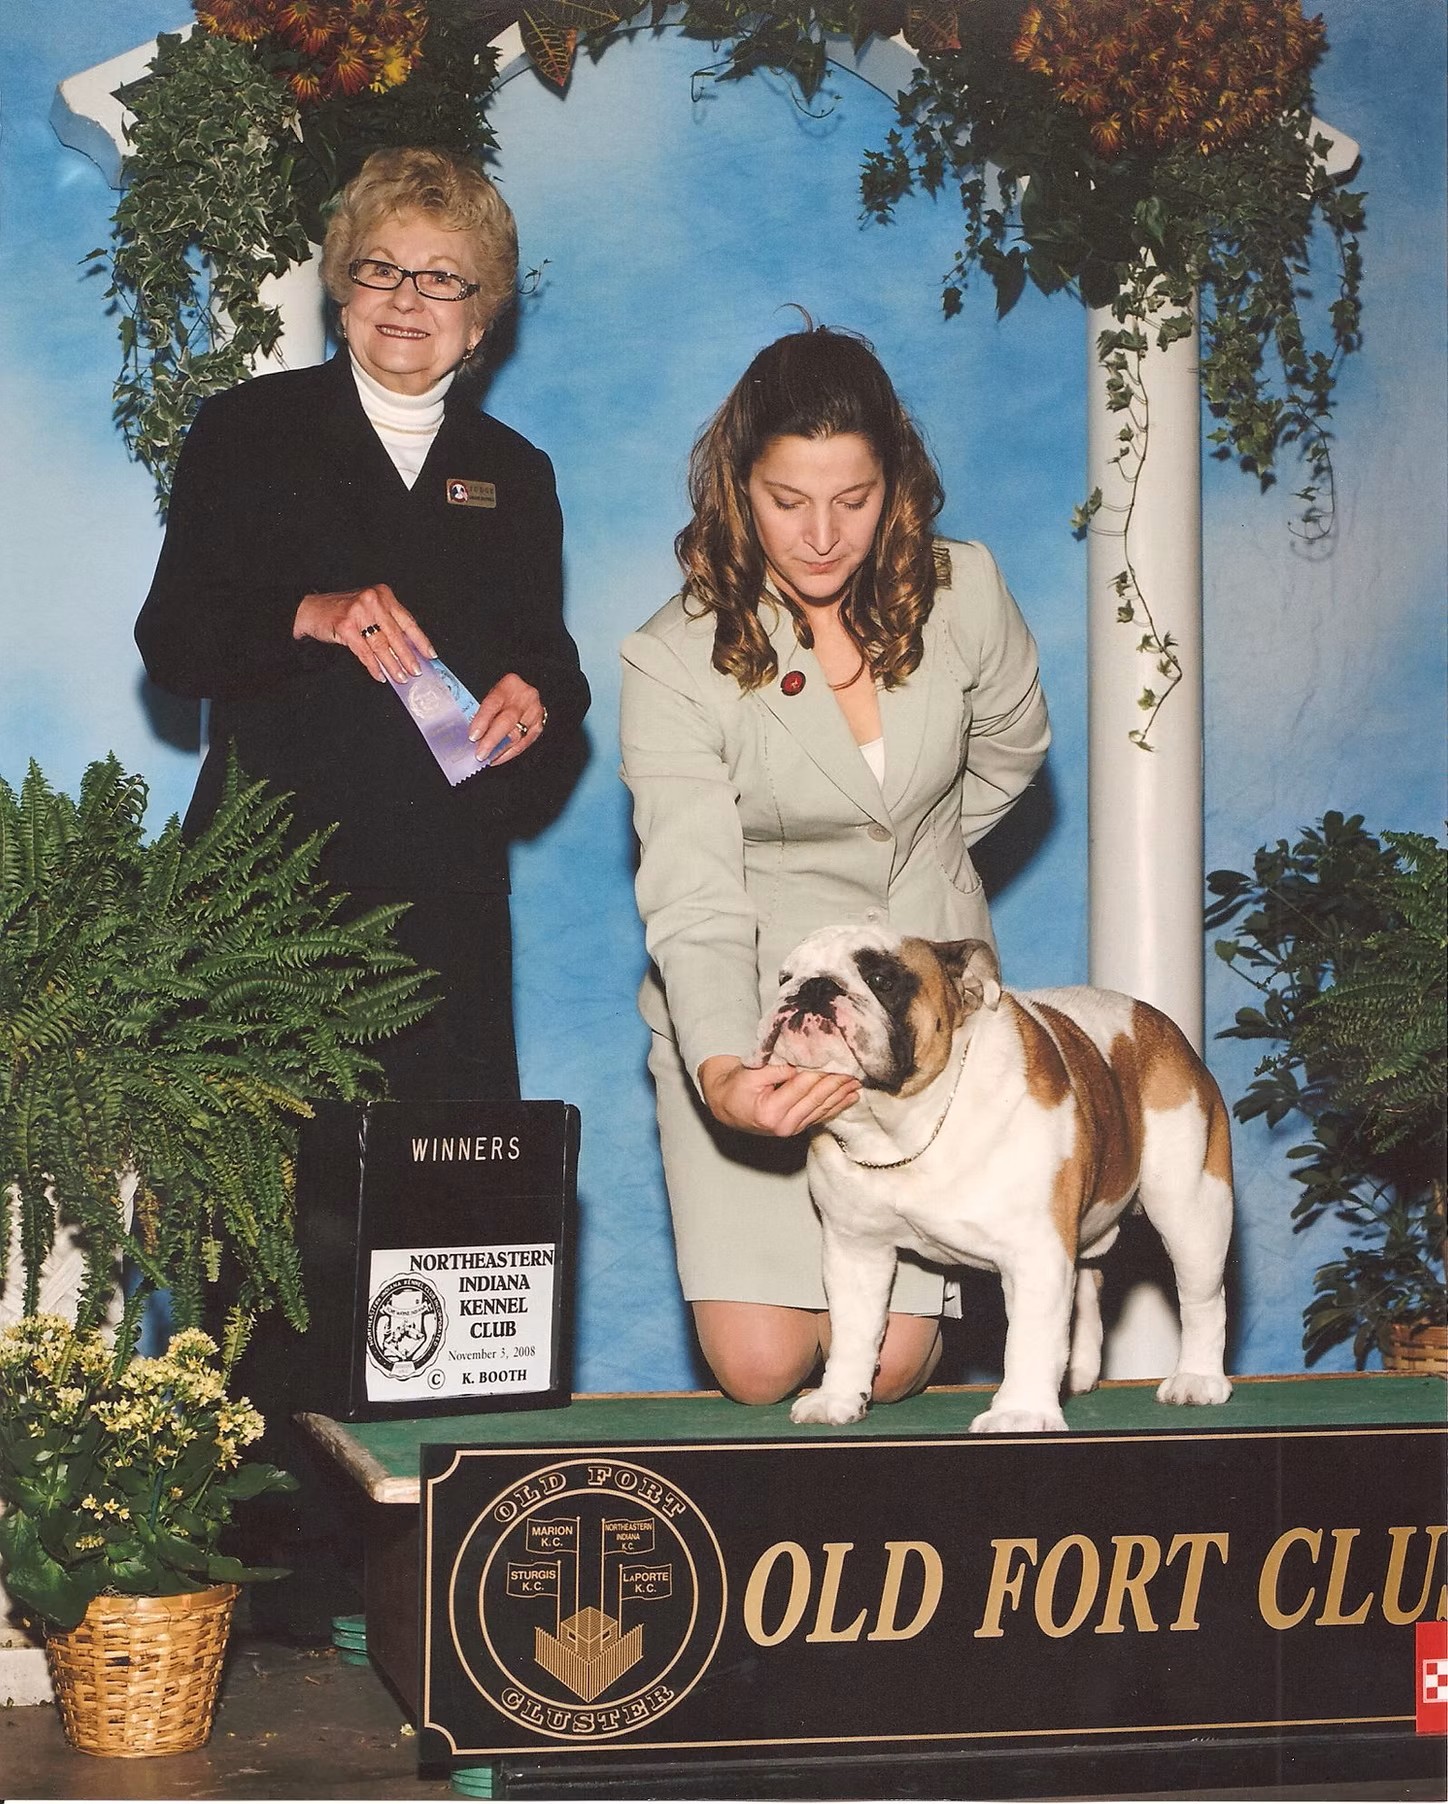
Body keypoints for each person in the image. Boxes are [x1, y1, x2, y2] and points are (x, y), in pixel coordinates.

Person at [620, 323, 1050, 1406]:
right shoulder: (670, 658)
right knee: (763, 1367)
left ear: (894, 485)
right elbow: (695, 893)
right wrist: (723, 1066)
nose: (818, 536)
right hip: (764, 1005)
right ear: (736, 487)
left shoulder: (968, 592)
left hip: (913, 1025)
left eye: (850, 500)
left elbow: (1011, 750)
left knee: (893, 1365)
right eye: (785, 499)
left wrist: (925, 866)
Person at [136, 146, 589, 1102]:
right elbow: (173, 639)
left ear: (481, 320)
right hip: (265, 889)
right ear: (343, 290)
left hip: (443, 900)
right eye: (380, 267)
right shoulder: (246, 428)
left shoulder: (516, 471)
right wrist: (307, 613)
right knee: (244, 1226)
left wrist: (537, 701)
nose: (405, 298)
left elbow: (550, 662)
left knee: (432, 1226)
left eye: (441, 279)